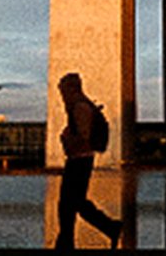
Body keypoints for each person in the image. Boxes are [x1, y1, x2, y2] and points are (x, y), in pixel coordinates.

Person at [54, 72, 122, 250]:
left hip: (79, 161)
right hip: (80, 160)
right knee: (74, 203)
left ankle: (67, 242)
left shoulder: (80, 107)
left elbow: (84, 137)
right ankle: (108, 228)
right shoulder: (79, 106)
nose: (62, 96)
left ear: (72, 88)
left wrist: (67, 140)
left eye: (63, 91)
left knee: (69, 204)